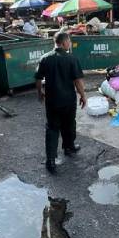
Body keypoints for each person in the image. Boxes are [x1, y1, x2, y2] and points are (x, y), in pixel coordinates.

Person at [34, 31, 87, 172]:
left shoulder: (45, 58)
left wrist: (40, 93)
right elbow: (77, 81)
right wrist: (83, 95)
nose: (69, 44)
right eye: (69, 41)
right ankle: (69, 147)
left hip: (52, 101)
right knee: (69, 123)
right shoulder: (71, 59)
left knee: (52, 128)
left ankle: (50, 160)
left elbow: (38, 78)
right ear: (64, 43)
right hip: (68, 100)